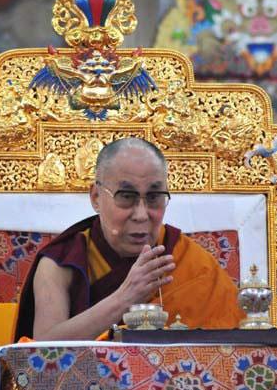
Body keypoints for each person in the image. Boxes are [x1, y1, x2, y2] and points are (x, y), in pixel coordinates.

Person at [15, 137, 243, 341]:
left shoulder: (190, 263)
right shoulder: (61, 262)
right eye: (126, 196)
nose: (142, 215)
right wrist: (125, 298)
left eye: (154, 197)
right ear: (96, 197)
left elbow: (233, 351)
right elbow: (43, 349)